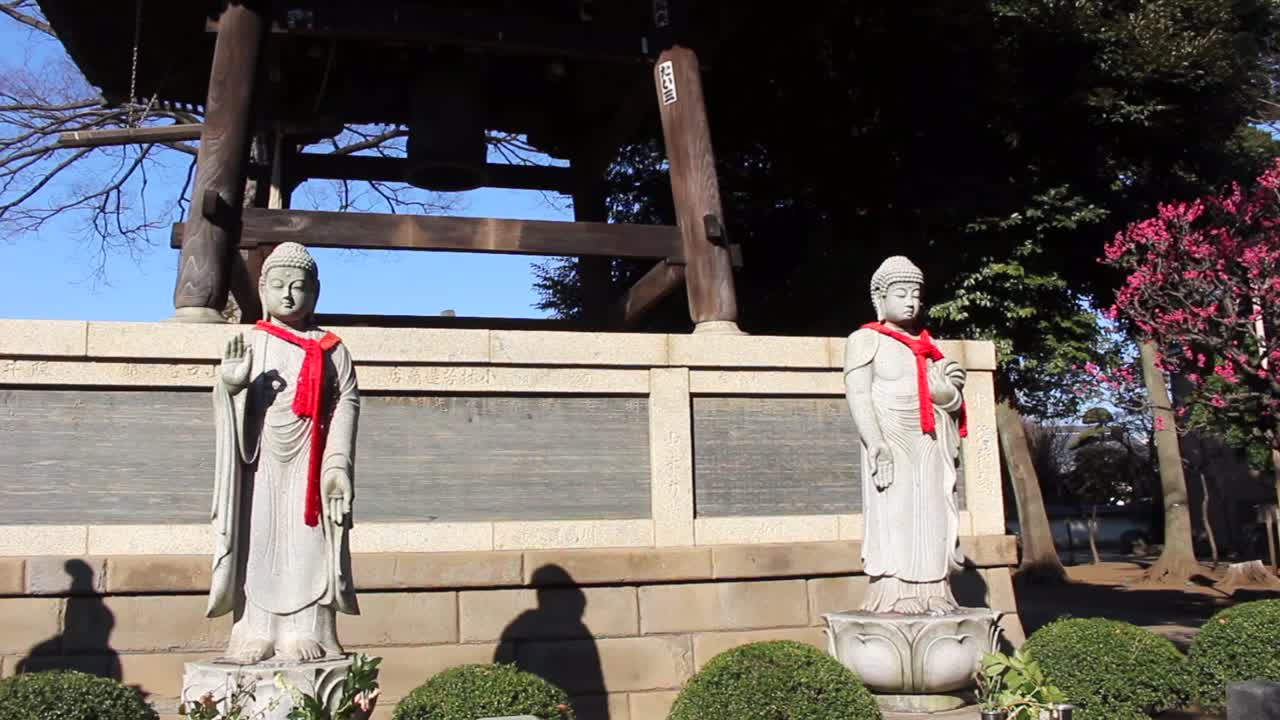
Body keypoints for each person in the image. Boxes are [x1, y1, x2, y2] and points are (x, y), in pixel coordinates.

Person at [208, 242, 360, 663]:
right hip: (261, 464)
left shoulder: (332, 349)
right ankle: (255, 629)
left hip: (312, 463)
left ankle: (306, 630)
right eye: (278, 285)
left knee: (310, 544)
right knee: (259, 542)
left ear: (316, 291)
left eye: (298, 286)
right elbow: (228, 405)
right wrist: (233, 387)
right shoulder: (253, 342)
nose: (288, 295)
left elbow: (347, 403)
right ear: (262, 289)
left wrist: (337, 466)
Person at [844, 255, 967, 615]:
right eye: (901, 294)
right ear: (880, 299)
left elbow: (949, 398)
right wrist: (875, 442)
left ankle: (934, 590)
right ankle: (896, 591)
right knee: (895, 511)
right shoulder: (865, 339)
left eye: (916, 295)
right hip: (890, 438)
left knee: (932, 510)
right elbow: (858, 394)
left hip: (929, 438)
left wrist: (946, 391)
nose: (911, 302)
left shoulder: (930, 349)